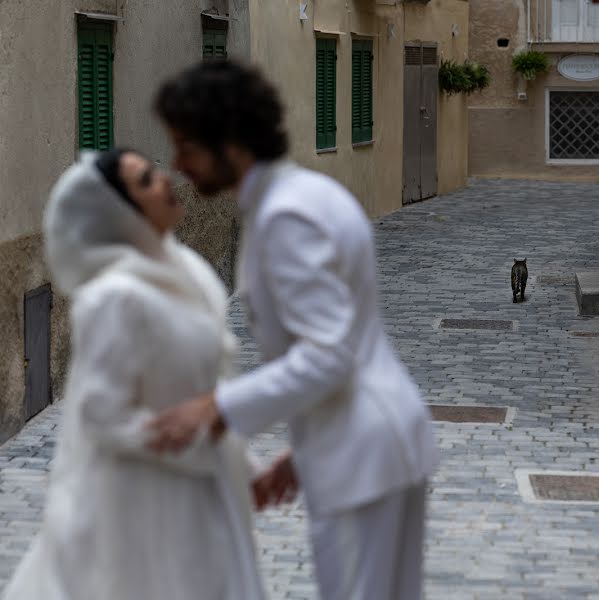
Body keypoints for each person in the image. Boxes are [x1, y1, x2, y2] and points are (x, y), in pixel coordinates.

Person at [146, 60, 438, 600]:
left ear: (231, 141)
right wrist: (301, 454)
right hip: (369, 444)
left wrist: (215, 407)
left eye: (186, 145)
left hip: (362, 457)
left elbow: (329, 356)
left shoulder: (286, 217)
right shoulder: (306, 195)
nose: (179, 164)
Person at [2, 149, 266, 600]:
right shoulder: (115, 298)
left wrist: (241, 464)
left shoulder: (191, 276)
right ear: (120, 213)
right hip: (139, 512)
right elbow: (102, 415)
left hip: (200, 501)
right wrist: (190, 436)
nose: (164, 181)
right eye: (146, 180)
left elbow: (209, 390)